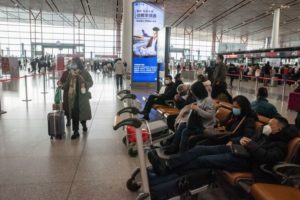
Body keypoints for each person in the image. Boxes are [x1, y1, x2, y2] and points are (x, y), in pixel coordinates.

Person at [148, 116, 297, 179]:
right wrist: (238, 141)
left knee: (203, 160)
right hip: (239, 150)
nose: (267, 126)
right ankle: (168, 163)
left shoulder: (281, 144)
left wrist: (250, 145)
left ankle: (168, 169)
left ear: (278, 129)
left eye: (271, 125)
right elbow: (249, 139)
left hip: (247, 162)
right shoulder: (264, 135)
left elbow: (267, 157)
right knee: (200, 149)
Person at [164, 81, 216, 154]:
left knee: (185, 131)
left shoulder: (208, 100)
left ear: (198, 91)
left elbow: (210, 116)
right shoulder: (200, 99)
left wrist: (197, 109)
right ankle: (174, 146)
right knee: (182, 125)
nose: (192, 93)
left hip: (205, 126)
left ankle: (182, 153)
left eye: (193, 92)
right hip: (198, 123)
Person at [64, 57, 93, 139]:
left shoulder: (84, 73)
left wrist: (85, 84)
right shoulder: (71, 73)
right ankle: (75, 131)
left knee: (83, 114)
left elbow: (91, 82)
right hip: (73, 98)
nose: (72, 64)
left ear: (78, 64)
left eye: (73, 63)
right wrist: (61, 86)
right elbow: (67, 84)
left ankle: (84, 125)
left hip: (82, 97)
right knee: (74, 115)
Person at [57, 60, 72, 127]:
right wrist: (59, 83)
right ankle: (68, 120)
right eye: (68, 64)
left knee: (74, 108)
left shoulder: (76, 73)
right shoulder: (65, 73)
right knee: (66, 107)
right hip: (66, 93)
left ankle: (77, 121)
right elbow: (61, 81)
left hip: (74, 93)